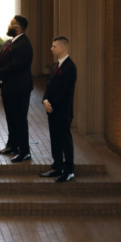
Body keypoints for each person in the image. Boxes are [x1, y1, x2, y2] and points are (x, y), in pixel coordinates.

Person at [0, 15, 34, 162]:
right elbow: (0, 60)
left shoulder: (24, 45)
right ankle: (12, 145)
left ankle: (24, 151)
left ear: (18, 28)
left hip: (20, 89)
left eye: (11, 24)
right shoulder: (10, 42)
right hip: (9, 87)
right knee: (10, 117)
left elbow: (15, 66)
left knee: (20, 119)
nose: (9, 26)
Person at [39, 36, 77, 183]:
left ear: (62, 48)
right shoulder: (55, 65)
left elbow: (67, 92)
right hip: (52, 110)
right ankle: (57, 166)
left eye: (54, 46)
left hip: (62, 111)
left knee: (65, 141)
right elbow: (49, 86)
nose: (51, 49)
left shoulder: (70, 67)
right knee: (55, 139)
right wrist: (44, 100)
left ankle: (69, 171)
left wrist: (51, 103)